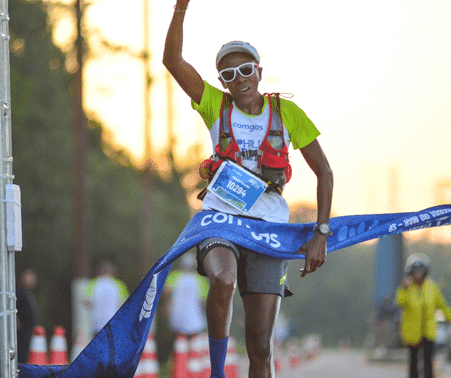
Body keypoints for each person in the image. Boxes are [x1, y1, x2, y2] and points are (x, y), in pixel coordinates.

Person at [163, 2, 334, 377]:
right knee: (222, 278)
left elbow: (324, 172)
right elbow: (173, 61)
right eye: (228, 73)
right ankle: (218, 371)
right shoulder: (214, 106)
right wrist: (180, 8)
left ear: (259, 71)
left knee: (260, 345)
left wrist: (320, 232)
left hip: (268, 228)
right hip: (221, 219)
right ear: (222, 81)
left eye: (245, 69)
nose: (239, 78)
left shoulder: (288, 114)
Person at [395, 253, 451, 378]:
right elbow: (399, 302)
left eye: (420, 272)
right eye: (415, 272)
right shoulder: (407, 287)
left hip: (428, 330)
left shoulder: (431, 286)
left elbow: (441, 304)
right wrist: (403, 289)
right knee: (413, 361)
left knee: (428, 361)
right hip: (412, 331)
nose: (417, 275)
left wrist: (450, 318)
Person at [165, 252, 208, 336]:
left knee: (180, 340)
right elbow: (204, 300)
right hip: (195, 319)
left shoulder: (174, 276)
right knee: (194, 340)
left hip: (177, 317)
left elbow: (166, 291)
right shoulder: (200, 279)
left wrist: (167, 304)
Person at [84, 260, 129, 335]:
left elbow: (86, 301)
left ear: (99, 272)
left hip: (97, 322)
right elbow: (124, 304)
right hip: (113, 322)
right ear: (113, 272)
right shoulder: (119, 284)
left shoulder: (93, 283)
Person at [16, 269, 39, 363]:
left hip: (27, 330)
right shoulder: (19, 293)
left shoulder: (28, 294)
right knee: (22, 353)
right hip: (21, 331)